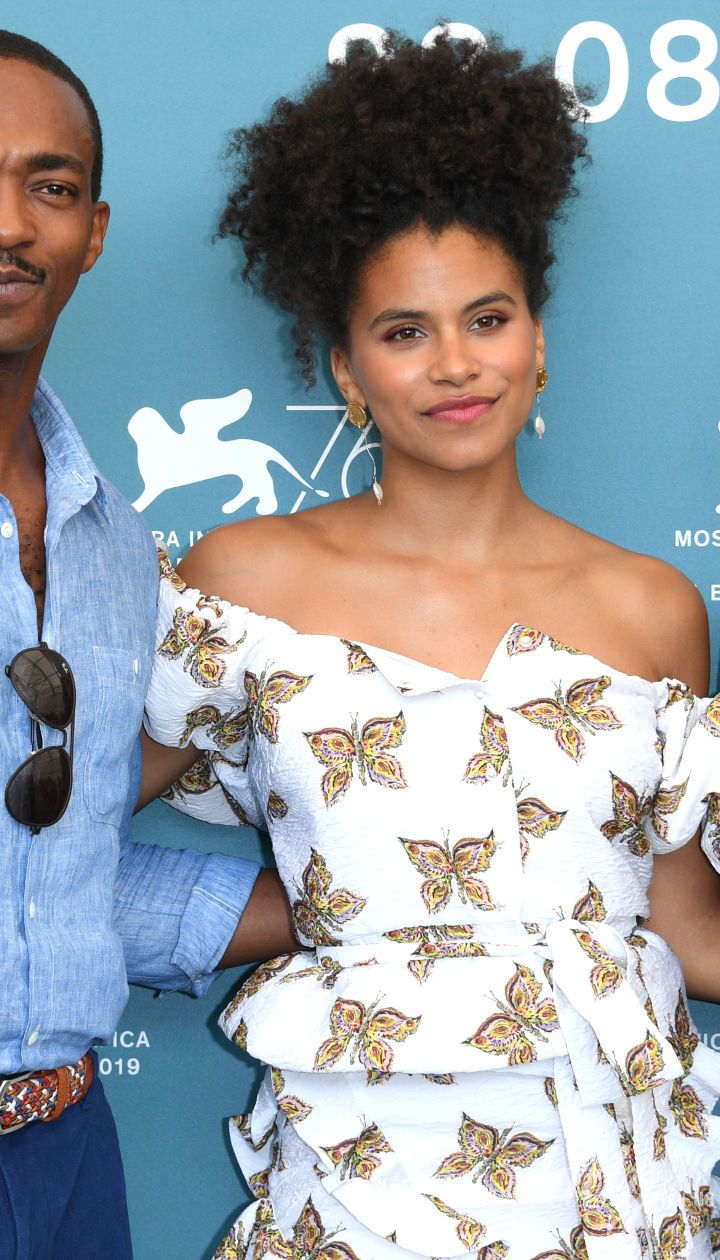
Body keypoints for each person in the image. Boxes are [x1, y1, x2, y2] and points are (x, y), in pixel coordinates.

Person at [142, 32, 720, 1259]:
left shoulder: (654, 606)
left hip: (616, 1189)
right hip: (359, 1188)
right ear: (345, 368)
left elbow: (682, 921)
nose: (457, 363)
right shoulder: (245, 586)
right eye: (404, 332)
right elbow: (55, 827)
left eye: (487, 319)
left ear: (538, 338)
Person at [0, 29, 295, 1260]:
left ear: (94, 231)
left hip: (69, 1152)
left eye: (50, 185)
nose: (10, 222)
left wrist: (383, 892)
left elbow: (56, 883)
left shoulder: (119, 550)